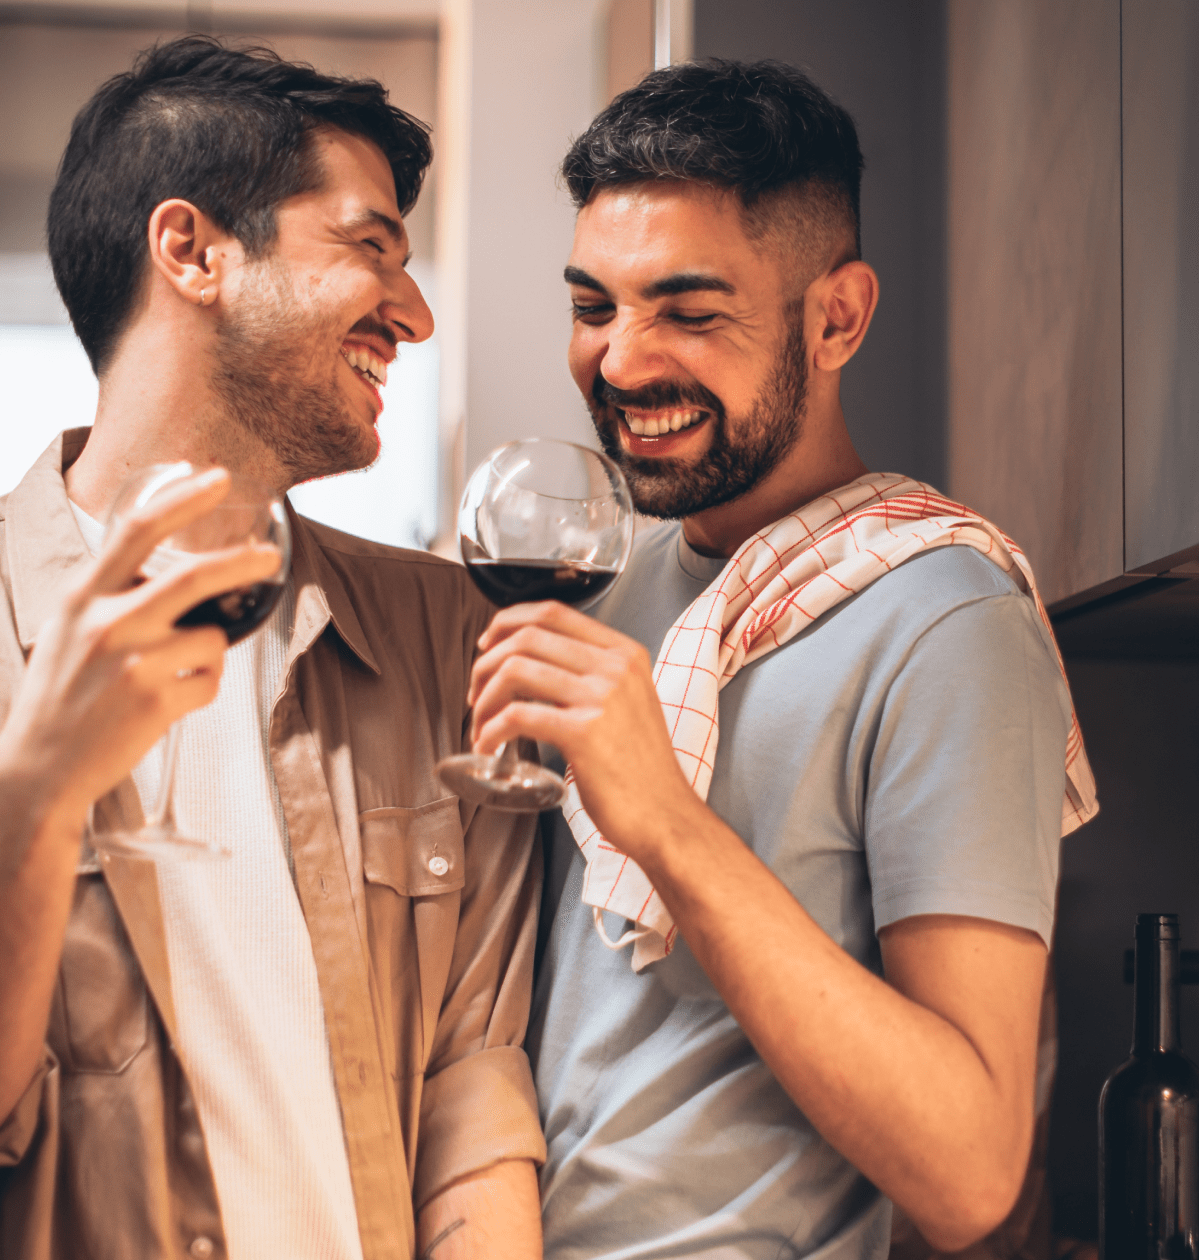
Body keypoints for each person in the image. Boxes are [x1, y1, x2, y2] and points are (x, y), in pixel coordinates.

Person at [466, 60, 1098, 1260]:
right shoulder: (615, 580)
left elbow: (971, 1172)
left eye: (690, 313)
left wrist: (668, 818)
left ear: (838, 317)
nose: (621, 362)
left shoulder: (948, 623)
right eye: (594, 307)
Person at [0, 37, 543, 1260]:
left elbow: (473, 1092)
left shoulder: (441, 637)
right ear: (193, 250)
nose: (414, 314)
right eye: (369, 245)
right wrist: (38, 790)